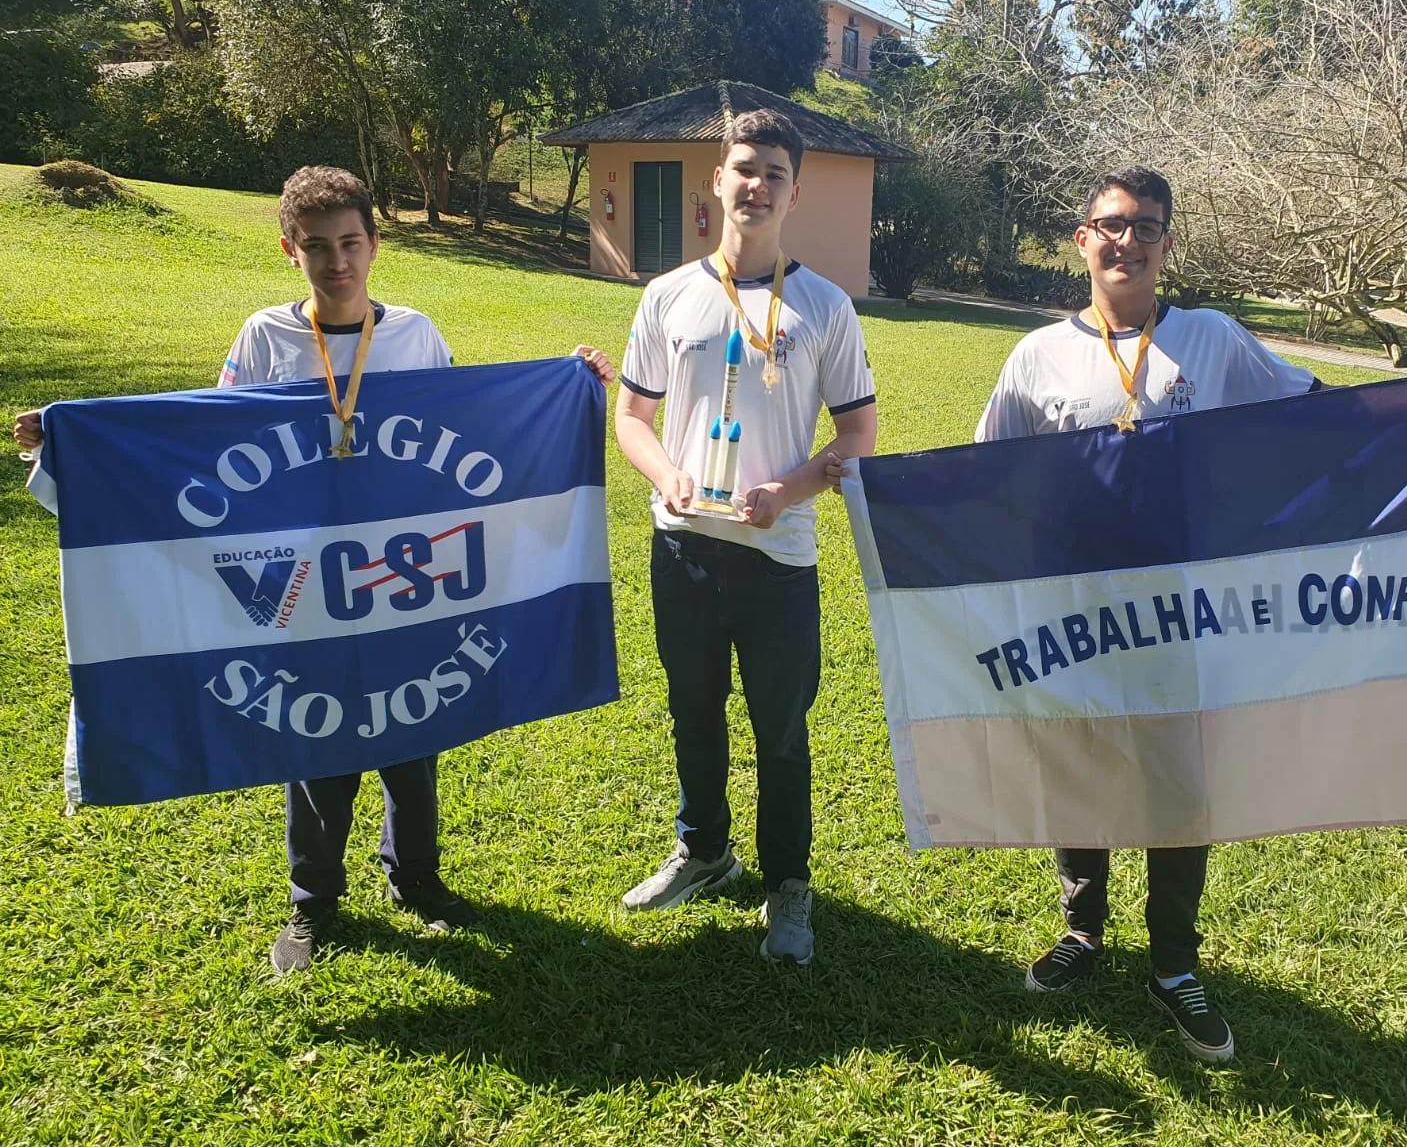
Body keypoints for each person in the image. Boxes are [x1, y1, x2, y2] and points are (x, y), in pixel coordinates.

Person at [12, 164, 616, 975]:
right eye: (319, 247)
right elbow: (202, 450)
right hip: (300, 592)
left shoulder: (415, 334)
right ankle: (314, 903)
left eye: (352, 243)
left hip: (404, 580)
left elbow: (470, 436)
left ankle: (418, 880)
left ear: (375, 243)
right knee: (315, 737)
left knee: (417, 728)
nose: (338, 263)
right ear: (290, 249)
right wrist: (73, 442)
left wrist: (571, 384)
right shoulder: (265, 338)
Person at [973, 165, 1327, 1063]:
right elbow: (984, 474)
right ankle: (1084, 931)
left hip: (1181, 612)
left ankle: (1174, 964)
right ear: (1082, 239)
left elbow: (1317, 408)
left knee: (1178, 783)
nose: (1126, 239)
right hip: (1073, 611)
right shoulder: (1037, 355)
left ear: (1167, 244)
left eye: (1146, 226)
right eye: (1111, 224)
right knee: (1079, 768)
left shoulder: (1212, 340)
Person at [613, 109, 877, 965]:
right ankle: (704, 852)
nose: (755, 184)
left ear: (794, 191)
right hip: (684, 545)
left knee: (781, 730)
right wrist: (668, 478)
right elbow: (632, 418)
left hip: (778, 557)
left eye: (772, 171)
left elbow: (858, 435)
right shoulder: (668, 295)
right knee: (693, 710)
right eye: (742, 168)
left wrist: (789, 490)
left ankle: (788, 886)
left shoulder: (826, 307)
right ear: (715, 182)